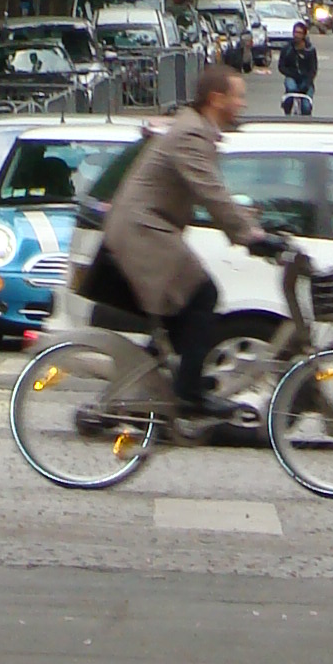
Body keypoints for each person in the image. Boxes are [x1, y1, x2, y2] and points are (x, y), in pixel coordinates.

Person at [96, 63, 282, 416]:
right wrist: (250, 236)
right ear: (216, 98)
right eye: (238, 96)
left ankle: (158, 388)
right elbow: (211, 192)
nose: (242, 104)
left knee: (180, 317)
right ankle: (189, 394)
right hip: (142, 230)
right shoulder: (191, 134)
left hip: (147, 227)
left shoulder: (196, 130)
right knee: (203, 293)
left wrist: (251, 223)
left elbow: (215, 193)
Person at [278, 21, 318, 118]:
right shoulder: (287, 49)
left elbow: (313, 69)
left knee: (306, 106)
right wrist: (291, 74)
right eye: (295, 32)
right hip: (291, 77)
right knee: (291, 89)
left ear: (304, 35)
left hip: (306, 80)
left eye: (300, 33)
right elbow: (281, 66)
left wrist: (307, 83)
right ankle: (287, 111)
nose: (297, 35)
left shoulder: (310, 50)